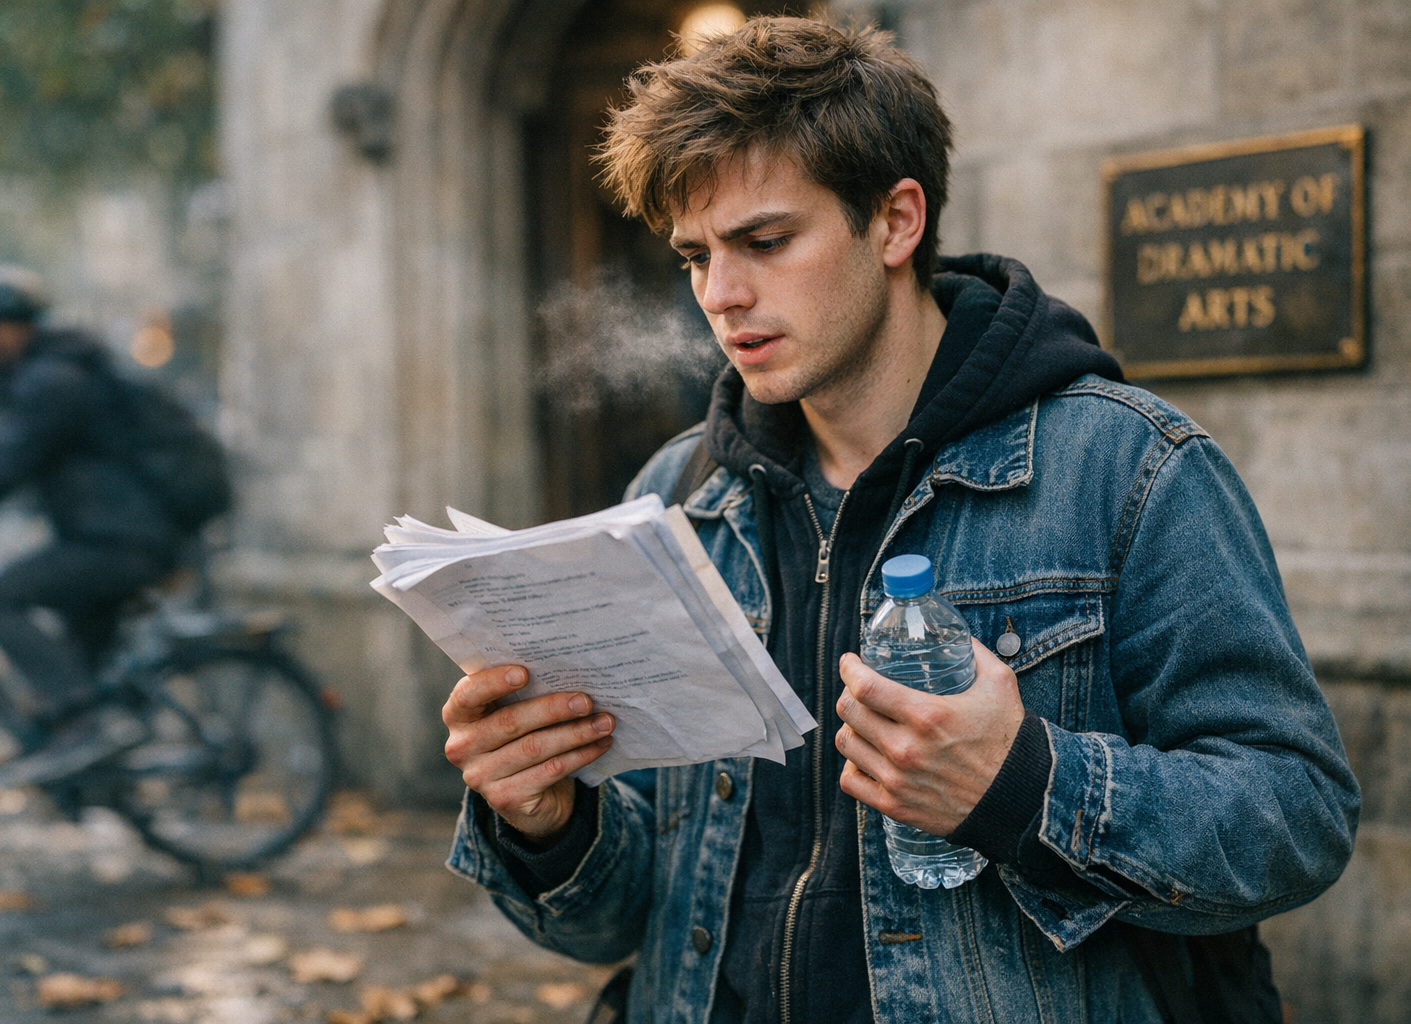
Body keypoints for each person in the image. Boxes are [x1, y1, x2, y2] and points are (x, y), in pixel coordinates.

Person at [439, 18, 1358, 1024]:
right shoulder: (676, 496)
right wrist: (545, 819)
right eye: (694, 255)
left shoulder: (1127, 468)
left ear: (896, 221)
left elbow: (1296, 818)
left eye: (765, 241)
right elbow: (615, 924)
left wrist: (1023, 781)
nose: (720, 293)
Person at [0, 265, 187, 780]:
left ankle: (91, 727)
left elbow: (3, 464)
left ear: (6, 331)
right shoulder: (51, 373)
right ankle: (92, 767)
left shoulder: (53, 381)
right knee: (82, 662)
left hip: (123, 542)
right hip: (117, 537)